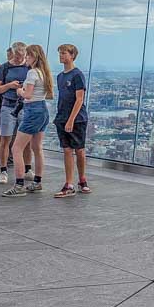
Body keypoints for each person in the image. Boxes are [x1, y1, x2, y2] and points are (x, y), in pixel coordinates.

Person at [1, 44, 51, 197]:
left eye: (28, 55)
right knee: (37, 148)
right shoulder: (44, 73)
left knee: (16, 148)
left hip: (32, 111)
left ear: (34, 56)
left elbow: (27, 95)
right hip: (42, 109)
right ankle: (37, 181)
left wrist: (18, 90)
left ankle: (19, 184)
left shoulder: (32, 73)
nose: (25, 58)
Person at [54, 44, 89, 197]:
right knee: (67, 150)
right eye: (60, 53)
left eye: (64, 53)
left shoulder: (77, 75)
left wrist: (71, 120)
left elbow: (79, 99)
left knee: (79, 150)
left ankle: (82, 180)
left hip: (77, 119)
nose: (61, 56)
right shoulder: (60, 76)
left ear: (72, 55)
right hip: (62, 117)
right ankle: (69, 183)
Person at [0, 41, 29, 185]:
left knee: (26, 140)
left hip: (24, 106)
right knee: (5, 139)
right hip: (8, 105)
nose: (20, 59)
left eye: (23, 56)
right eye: (18, 56)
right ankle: (3, 169)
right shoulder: (5, 67)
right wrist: (10, 86)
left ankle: (28, 168)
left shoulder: (29, 67)